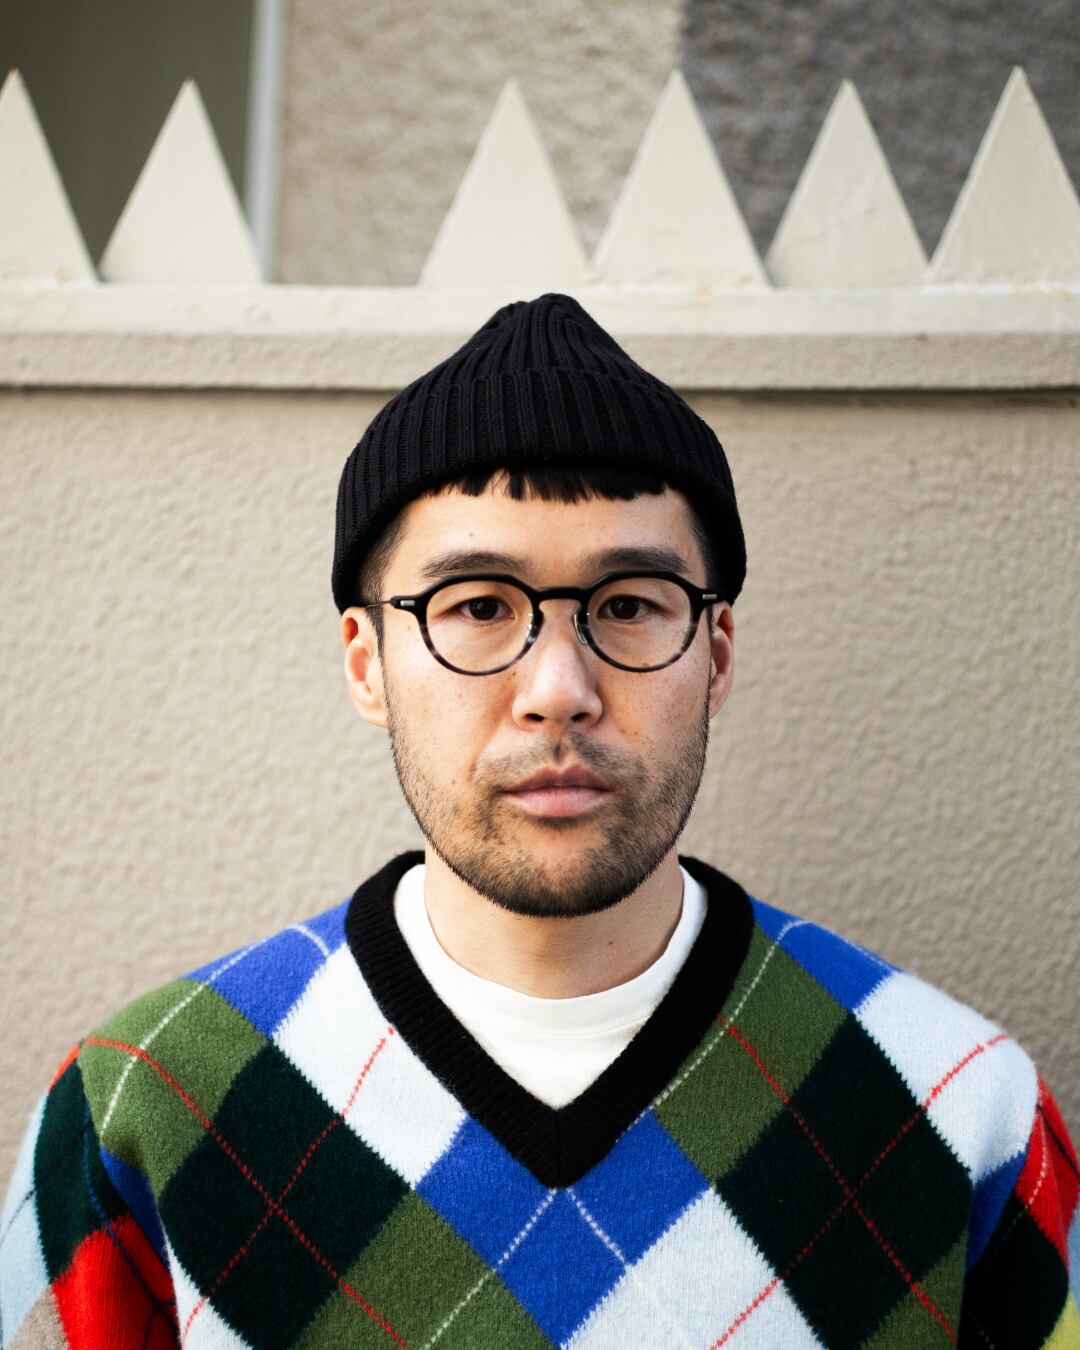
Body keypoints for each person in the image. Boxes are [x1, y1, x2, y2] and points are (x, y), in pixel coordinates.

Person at [1, 293, 1076, 1350]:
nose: (559, 689)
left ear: (717, 657)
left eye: (629, 605)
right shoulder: (148, 1108)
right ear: (367, 663)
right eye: (477, 606)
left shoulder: (958, 1111)